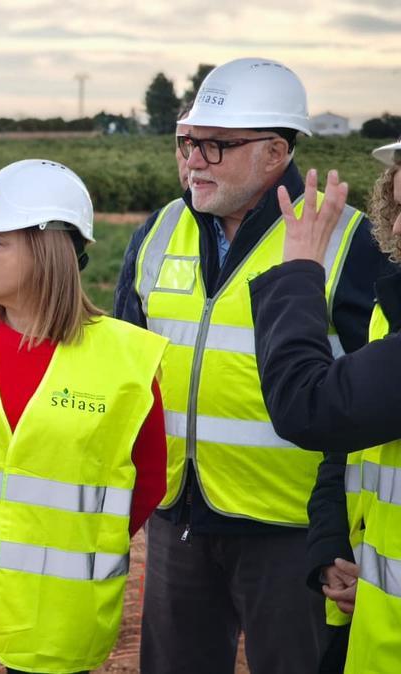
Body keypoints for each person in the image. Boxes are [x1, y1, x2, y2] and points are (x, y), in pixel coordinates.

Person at [112, 57, 390, 674]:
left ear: (274, 152)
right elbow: (125, 374)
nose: (194, 160)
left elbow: (368, 400)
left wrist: (338, 535)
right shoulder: (158, 231)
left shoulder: (348, 240)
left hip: (295, 533)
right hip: (179, 517)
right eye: (187, 142)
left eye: (215, 145)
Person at [0, 159, 169, 674]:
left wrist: (78, 541)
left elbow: (149, 482)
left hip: (57, 617)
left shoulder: (125, 361)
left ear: (46, 251)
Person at [250, 137, 401, 673]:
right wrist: (333, 547)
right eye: (398, 206)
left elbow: (308, 404)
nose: (399, 227)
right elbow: (355, 451)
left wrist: (299, 271)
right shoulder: (389, 315)